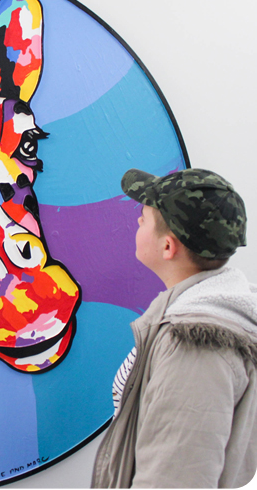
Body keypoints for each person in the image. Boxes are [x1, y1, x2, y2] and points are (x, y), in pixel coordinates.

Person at [91, 168, 257, 488]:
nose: (137, 222)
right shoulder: (207, 312)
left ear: (168, 247)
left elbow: (175, 475)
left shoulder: (196, 347)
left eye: (144, 218)